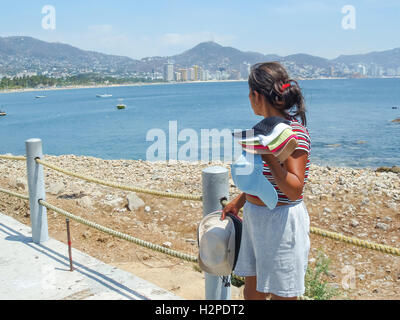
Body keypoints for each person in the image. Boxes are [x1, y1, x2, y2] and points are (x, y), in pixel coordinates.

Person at [222, 62, 311, 300]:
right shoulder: (263, 129)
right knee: (253, 291)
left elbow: (294, 190)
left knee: (283, 293)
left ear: (256, 95)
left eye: (249, 95)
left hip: (281, 221)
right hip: (256, 217)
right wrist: (240, 201)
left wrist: (269, 154)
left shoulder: (293, 132)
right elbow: (263, 177)